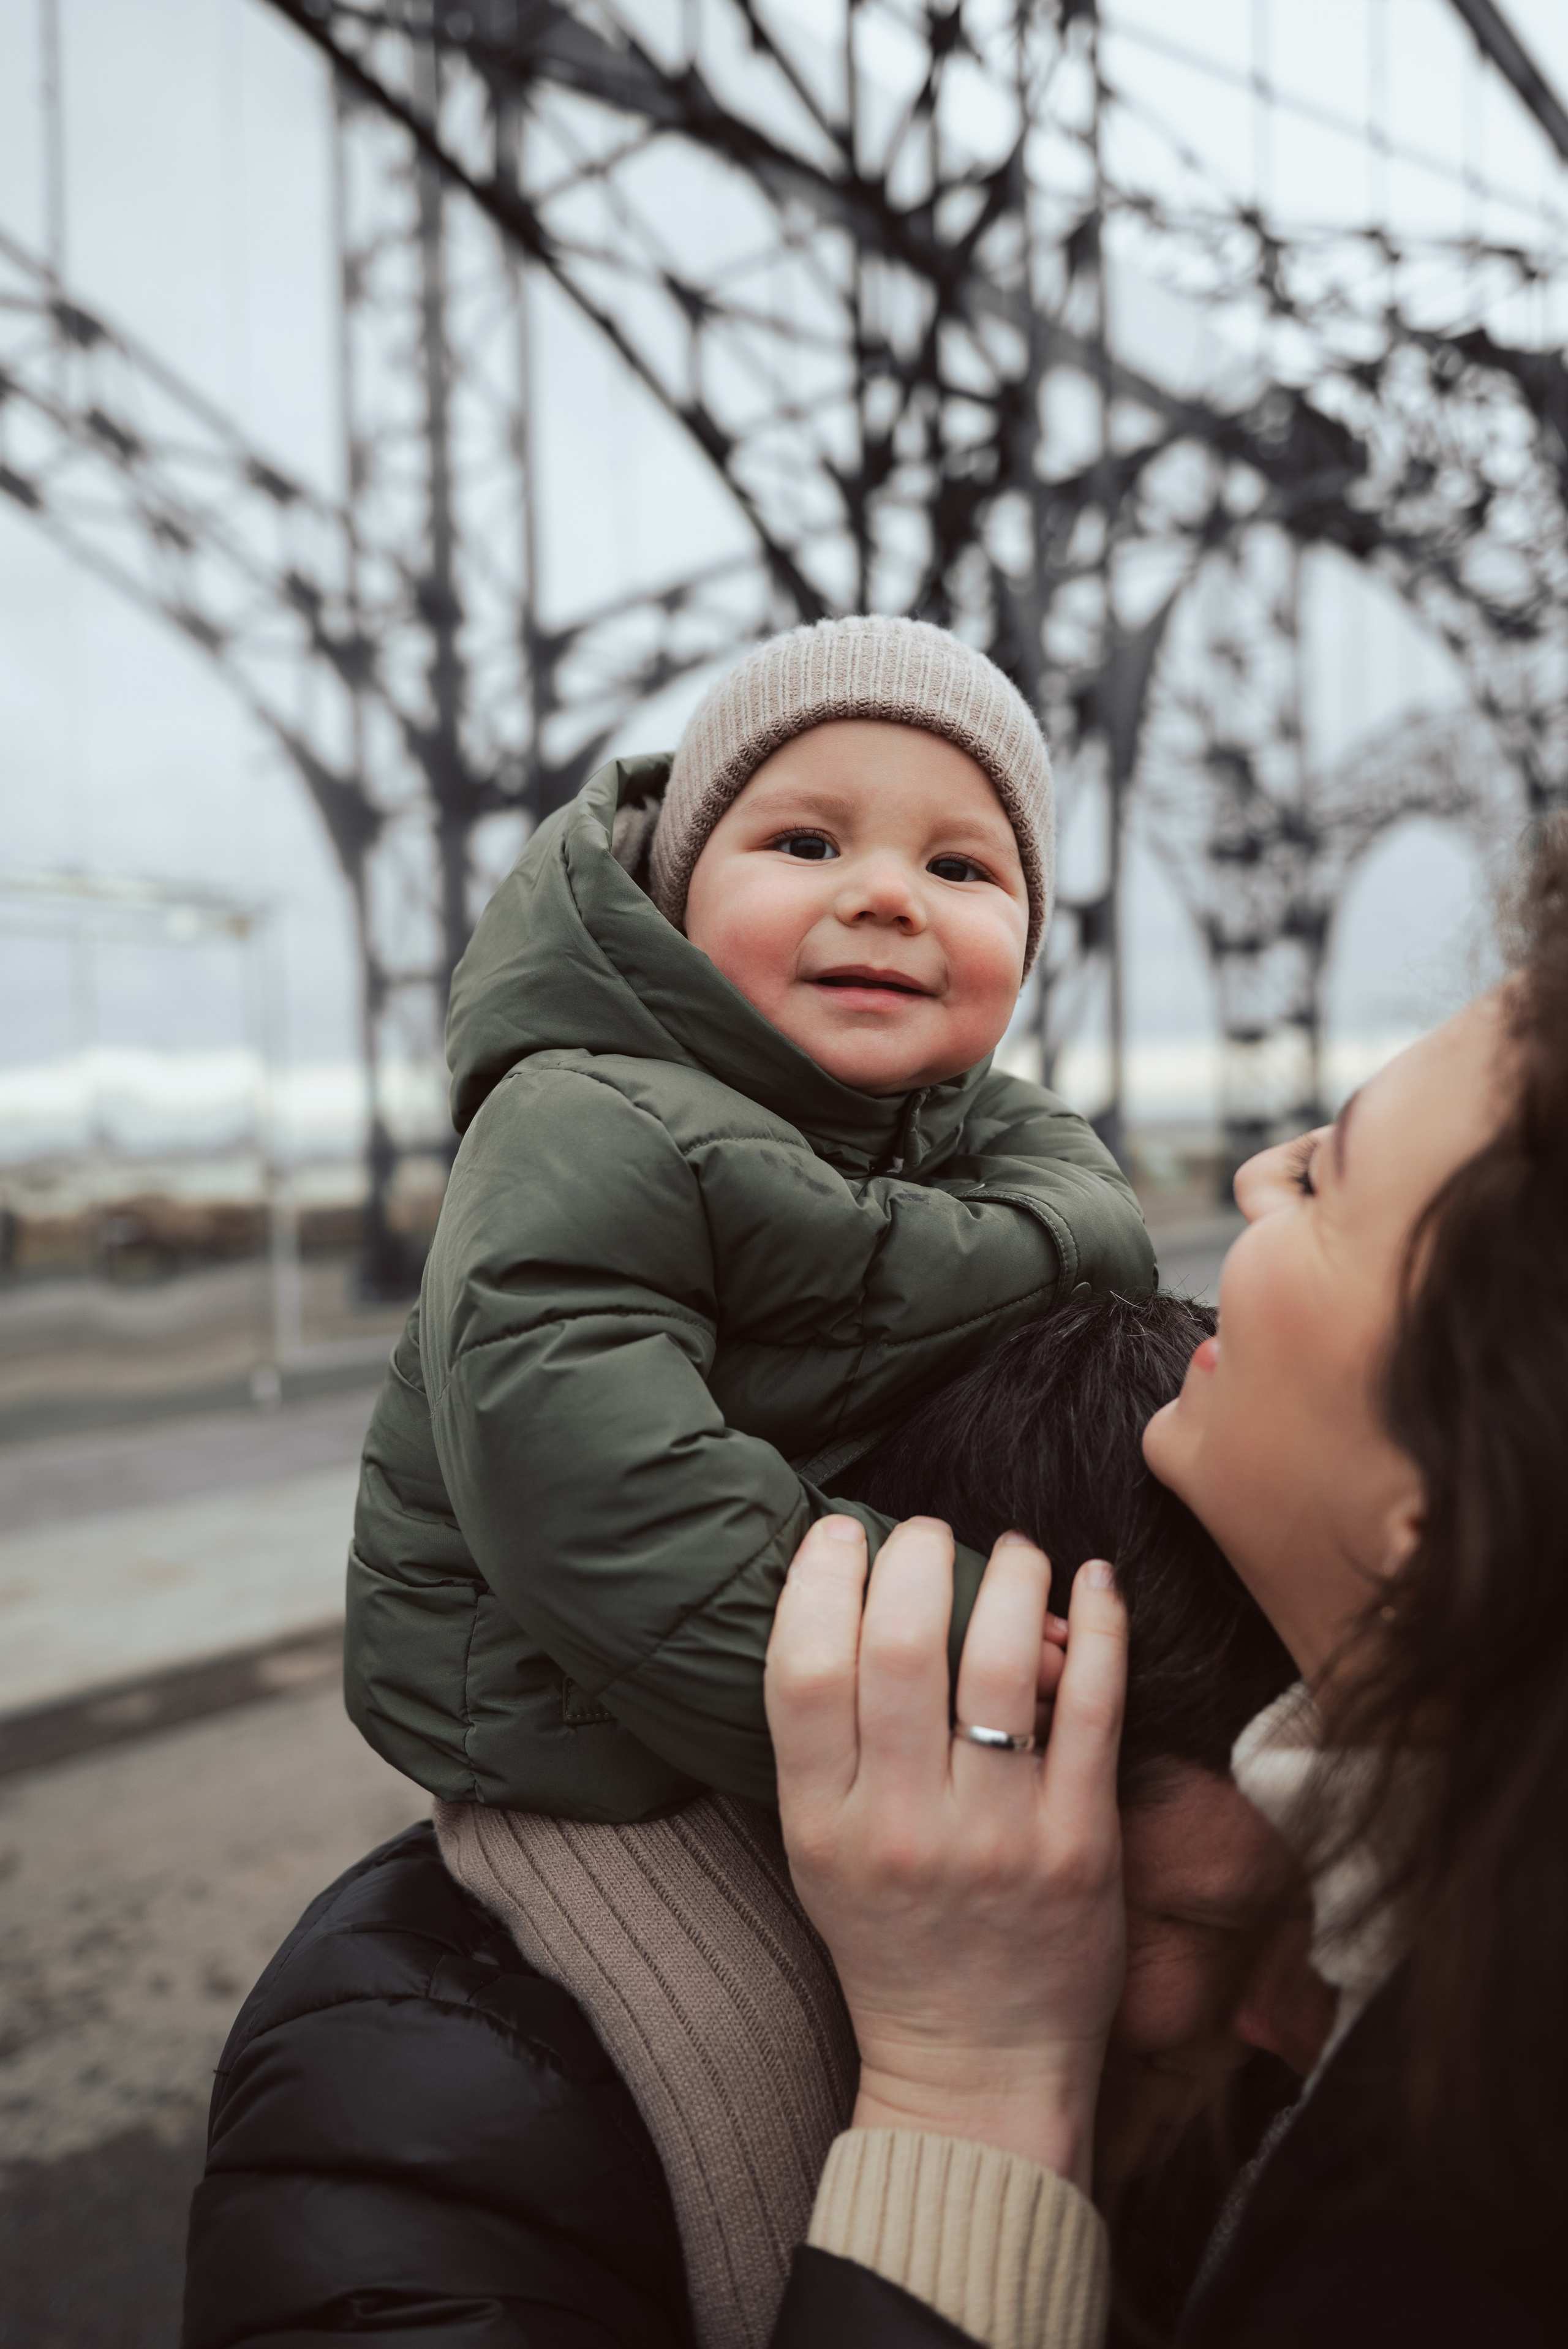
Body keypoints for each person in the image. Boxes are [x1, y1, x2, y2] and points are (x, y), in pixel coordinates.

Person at [762, 832, 1568, 2342]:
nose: (1255, 1175)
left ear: (1448, 1510)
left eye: (1327, 1180)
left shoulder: (1454, 2216)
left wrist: (965, 2087)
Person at [183, 1295, 1322, 2348]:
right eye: (1212, 1930)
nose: (1307, 2022)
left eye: (1325, 1908)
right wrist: (965, 2100)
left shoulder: (1259, 2048)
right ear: (924, 1781)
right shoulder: (410, 2111)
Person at [345, 614, 1152, 1825]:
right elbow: (608, 1500)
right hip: (596, 1763)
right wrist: (950, 1644)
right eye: (806, 841)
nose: (884, 894)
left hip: (838, 1717)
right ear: (677, 895)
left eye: (960, 869)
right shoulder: (584, 1125)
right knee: (738, 2021)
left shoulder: (1020, 1151)